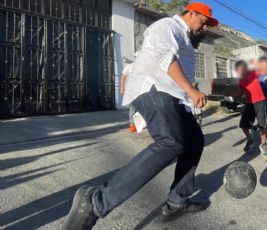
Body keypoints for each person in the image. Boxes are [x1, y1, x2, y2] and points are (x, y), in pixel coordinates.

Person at [62, 2, 218, 229]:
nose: (203, 28)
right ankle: (95, 202)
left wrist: (189, 91)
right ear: (191, 13)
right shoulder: (168, 26)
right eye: (203, 22)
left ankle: (176, 202)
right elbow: (166, 59)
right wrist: (191, 89)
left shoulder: (185, 40)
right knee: (170, 142)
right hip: (153, 89)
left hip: (174, 96)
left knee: (194, 141)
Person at [236, 60, 267, 157]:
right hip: (249, 103)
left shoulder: (253, 73)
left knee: (262, 125)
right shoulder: (240, 81)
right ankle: (250, 139)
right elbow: (241, 93)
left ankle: (263, 145)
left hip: (260, 101)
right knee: (243, 125)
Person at [120, 53, 139, 133]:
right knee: (132, 107)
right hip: (131, 90)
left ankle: (143, 123)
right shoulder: (129, 66)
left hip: (142, 90)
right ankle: (132, 124)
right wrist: (122, 87)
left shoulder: (145, 66)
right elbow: (123, 77)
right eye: (137, 57)